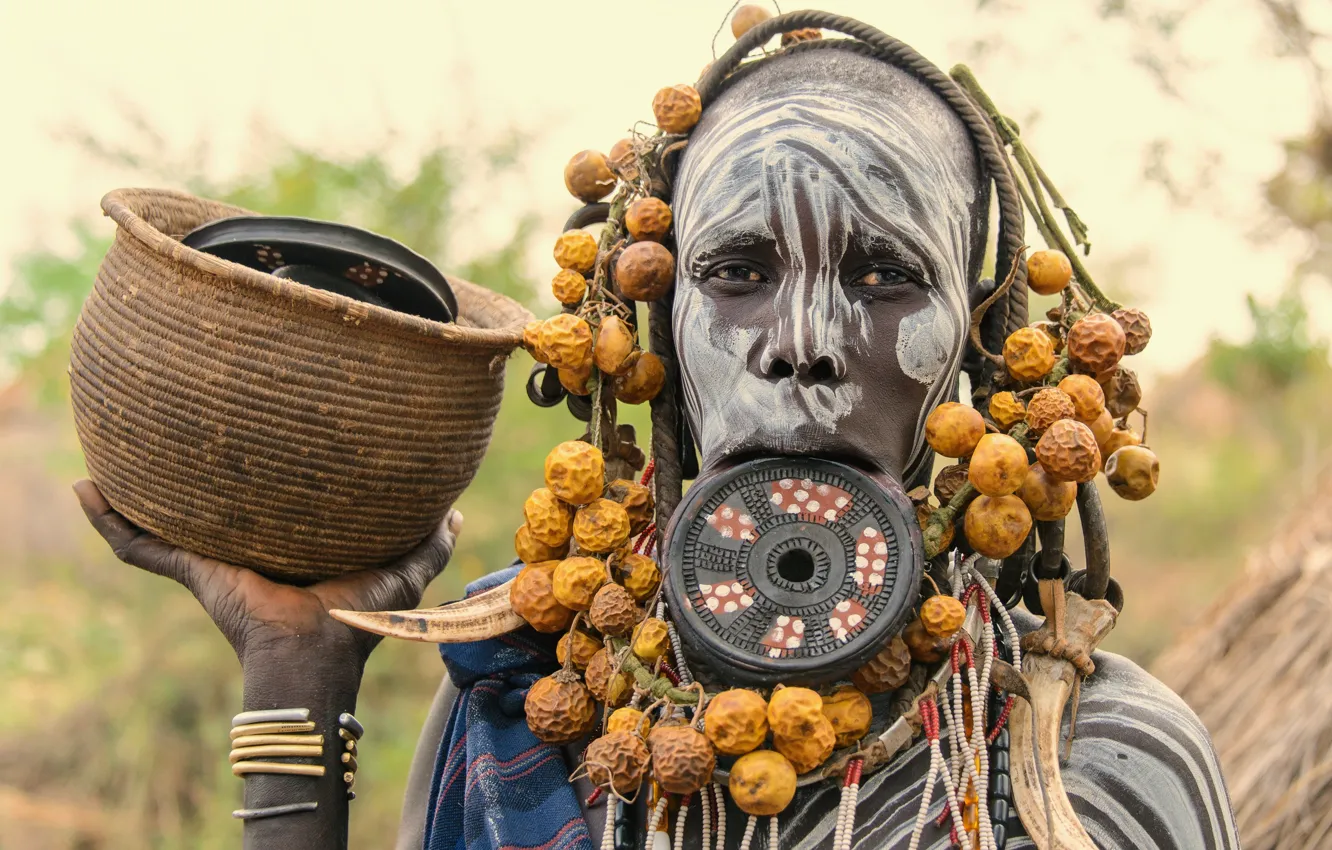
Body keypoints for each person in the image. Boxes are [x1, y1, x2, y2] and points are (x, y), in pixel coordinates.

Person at [75, 11, 1238, 850]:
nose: (805, 341)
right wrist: (299, 661)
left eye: (886, 275)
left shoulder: (1099, 768)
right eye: (737, 271)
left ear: (981, 344)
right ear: (660, 331)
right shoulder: (527, 700)